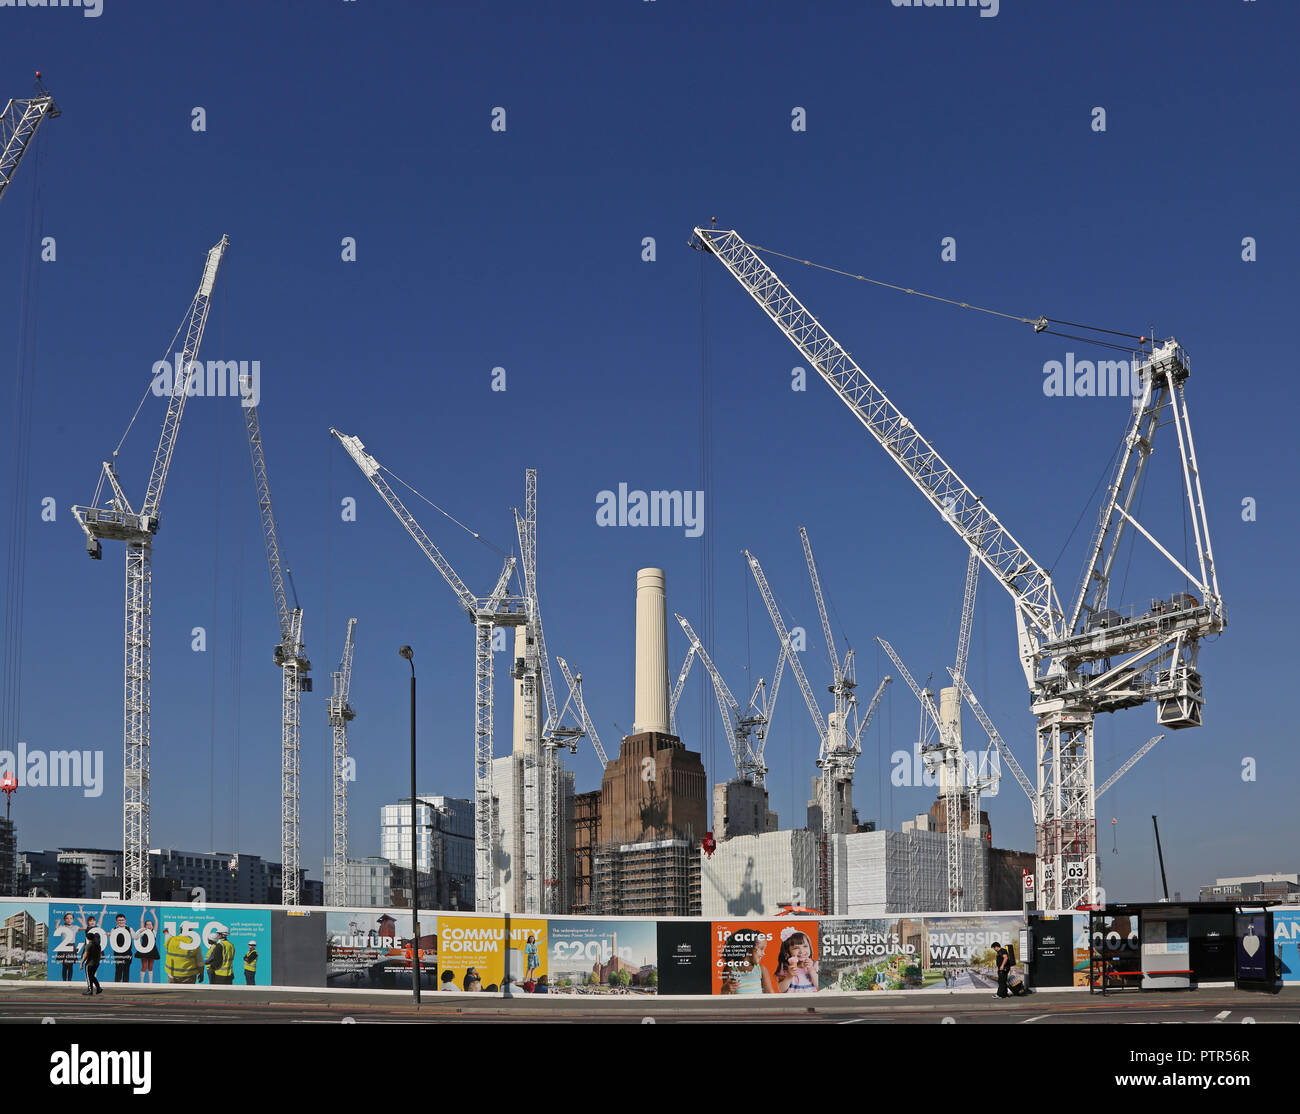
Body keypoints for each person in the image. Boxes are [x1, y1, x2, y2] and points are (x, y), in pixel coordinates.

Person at [774, 929, 818, 993]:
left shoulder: (814, 965)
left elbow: (818, 985)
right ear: (787, 952)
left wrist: (811, 970)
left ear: (810, 948)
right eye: (796, 948)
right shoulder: (785, 967)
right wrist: (789, 976)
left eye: (805, 946)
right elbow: (781, 990)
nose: (802, 951)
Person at [81, 917, 103, 996]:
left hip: (90, 964)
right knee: (92, 976)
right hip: (96, 963)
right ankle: (99, 988)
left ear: (87, 938)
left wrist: (81, 964)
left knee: (88, 977)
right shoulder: (98, 946)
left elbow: (85, 955)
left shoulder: (88, 945)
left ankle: (90, 990)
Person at [136, 913, 160, 983]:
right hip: (144, 950)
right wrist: (143, 912)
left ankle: (150, 982)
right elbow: (141, 921)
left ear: (152, 926)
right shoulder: (143, 932)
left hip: (152, 950)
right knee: (144, 966)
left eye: (150, 924)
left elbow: (157, 922)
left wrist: (153, 913)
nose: (149, 926)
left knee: (150, 967)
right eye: (147, 924)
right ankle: (141, 982)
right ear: (145, 926)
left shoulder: (154, 932)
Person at [111, 913, 134, 982]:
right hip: (118, 953)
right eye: (119, 920)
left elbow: (135, 937)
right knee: (118, 970)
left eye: (122, 920)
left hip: (128, 953)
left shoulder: (129, 929)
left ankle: (126, 987)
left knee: (126, 970)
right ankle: (116, 986)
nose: (121, 921)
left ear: (125, 920)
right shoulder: (113, 929)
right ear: (116, 921)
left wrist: (140, 932)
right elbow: (112, 942)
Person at [56, 912, 78, 982]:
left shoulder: (75, 927)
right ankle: (64, 981)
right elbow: (56, 928)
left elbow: (84, 928)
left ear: (73, 920)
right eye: (67, 918)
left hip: (71, 946)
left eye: (71, 918)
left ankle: (69, 981)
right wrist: (58, 923)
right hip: (64, 947)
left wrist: (82, 921)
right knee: (64, 966)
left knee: (70, 966)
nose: (69, 920)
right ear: (64, 920)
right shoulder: (62, 927)